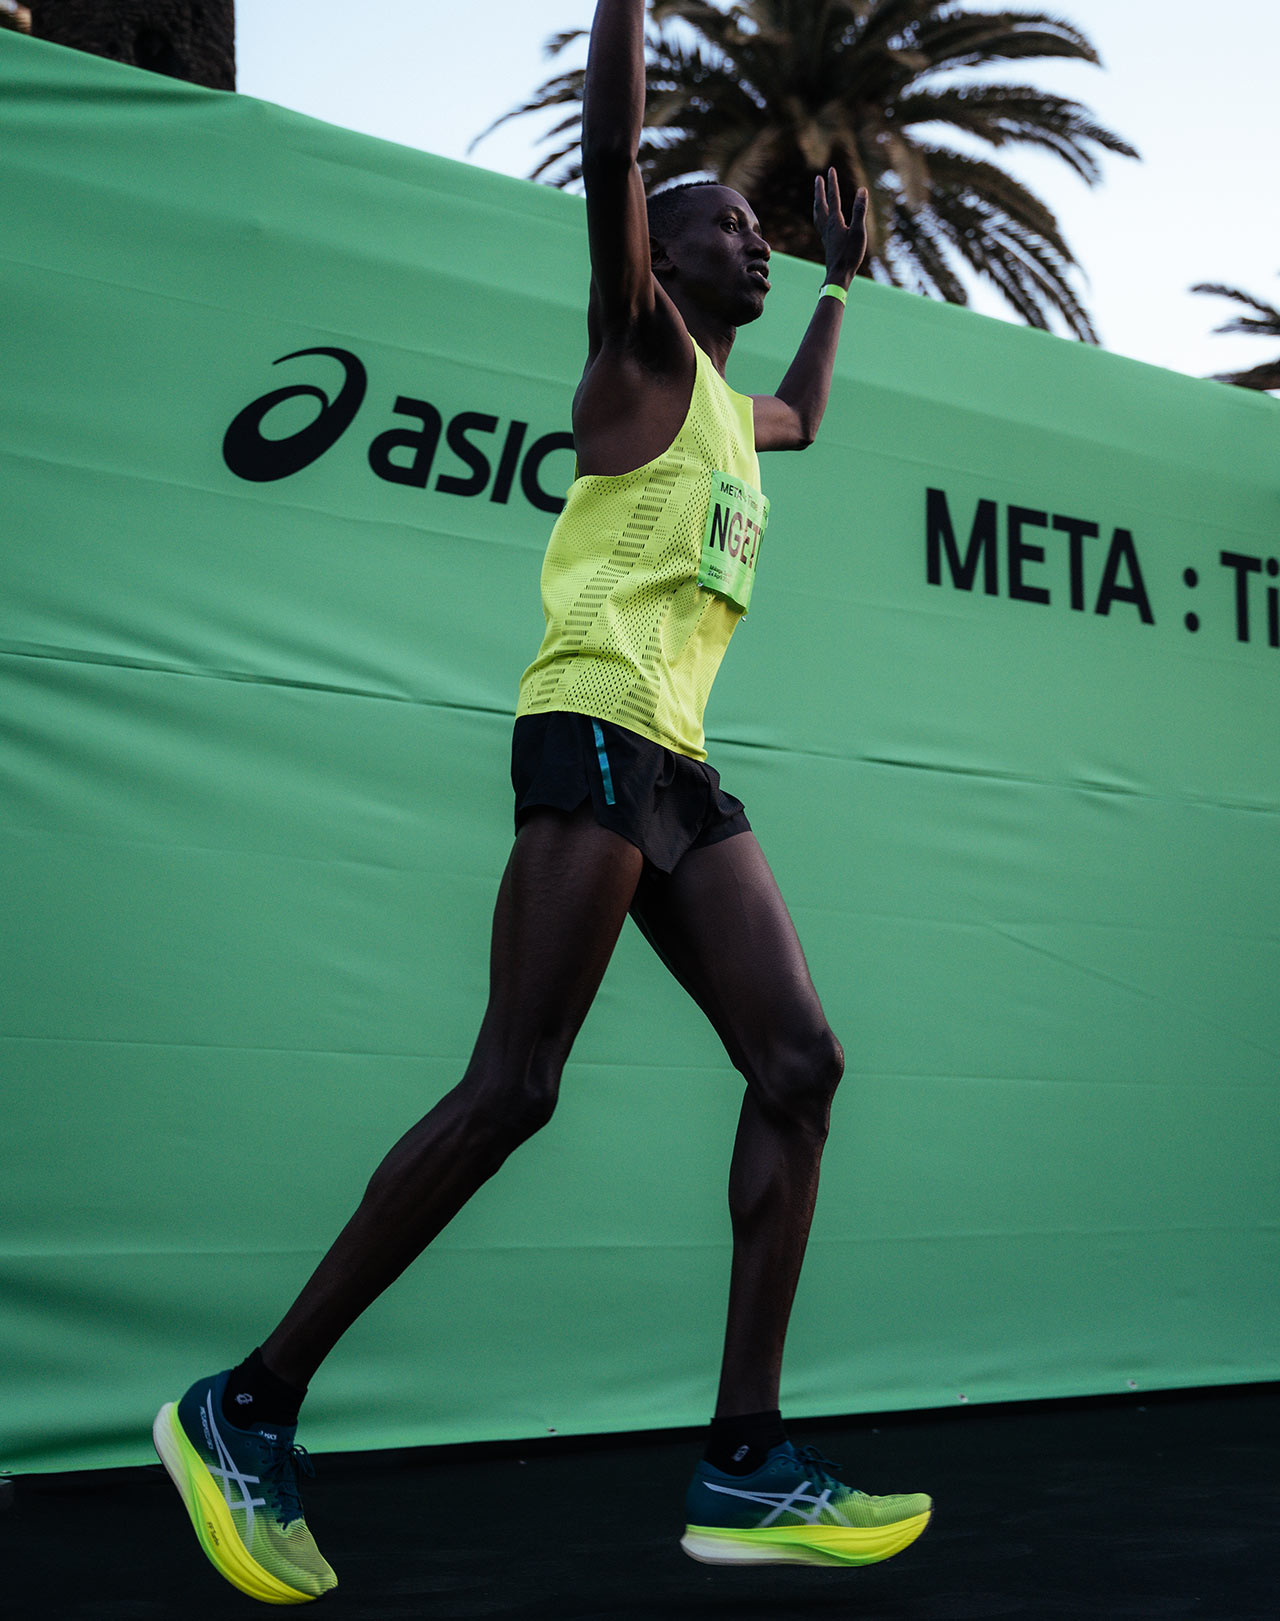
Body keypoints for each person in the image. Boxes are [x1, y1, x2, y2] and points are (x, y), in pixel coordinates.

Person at [152, 0, 932, 1601]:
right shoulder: (635, 347)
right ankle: (245, 1406)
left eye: (759, 227)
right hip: (586, 732)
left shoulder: (730, 416)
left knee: (800, 1060)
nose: (754, 238)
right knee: (515, 1083)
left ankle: (746, 1460)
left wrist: (848, 282)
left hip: (679, 766)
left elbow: (810, 414)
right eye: (727, 223)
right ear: (661, 253)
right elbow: (609, 145)